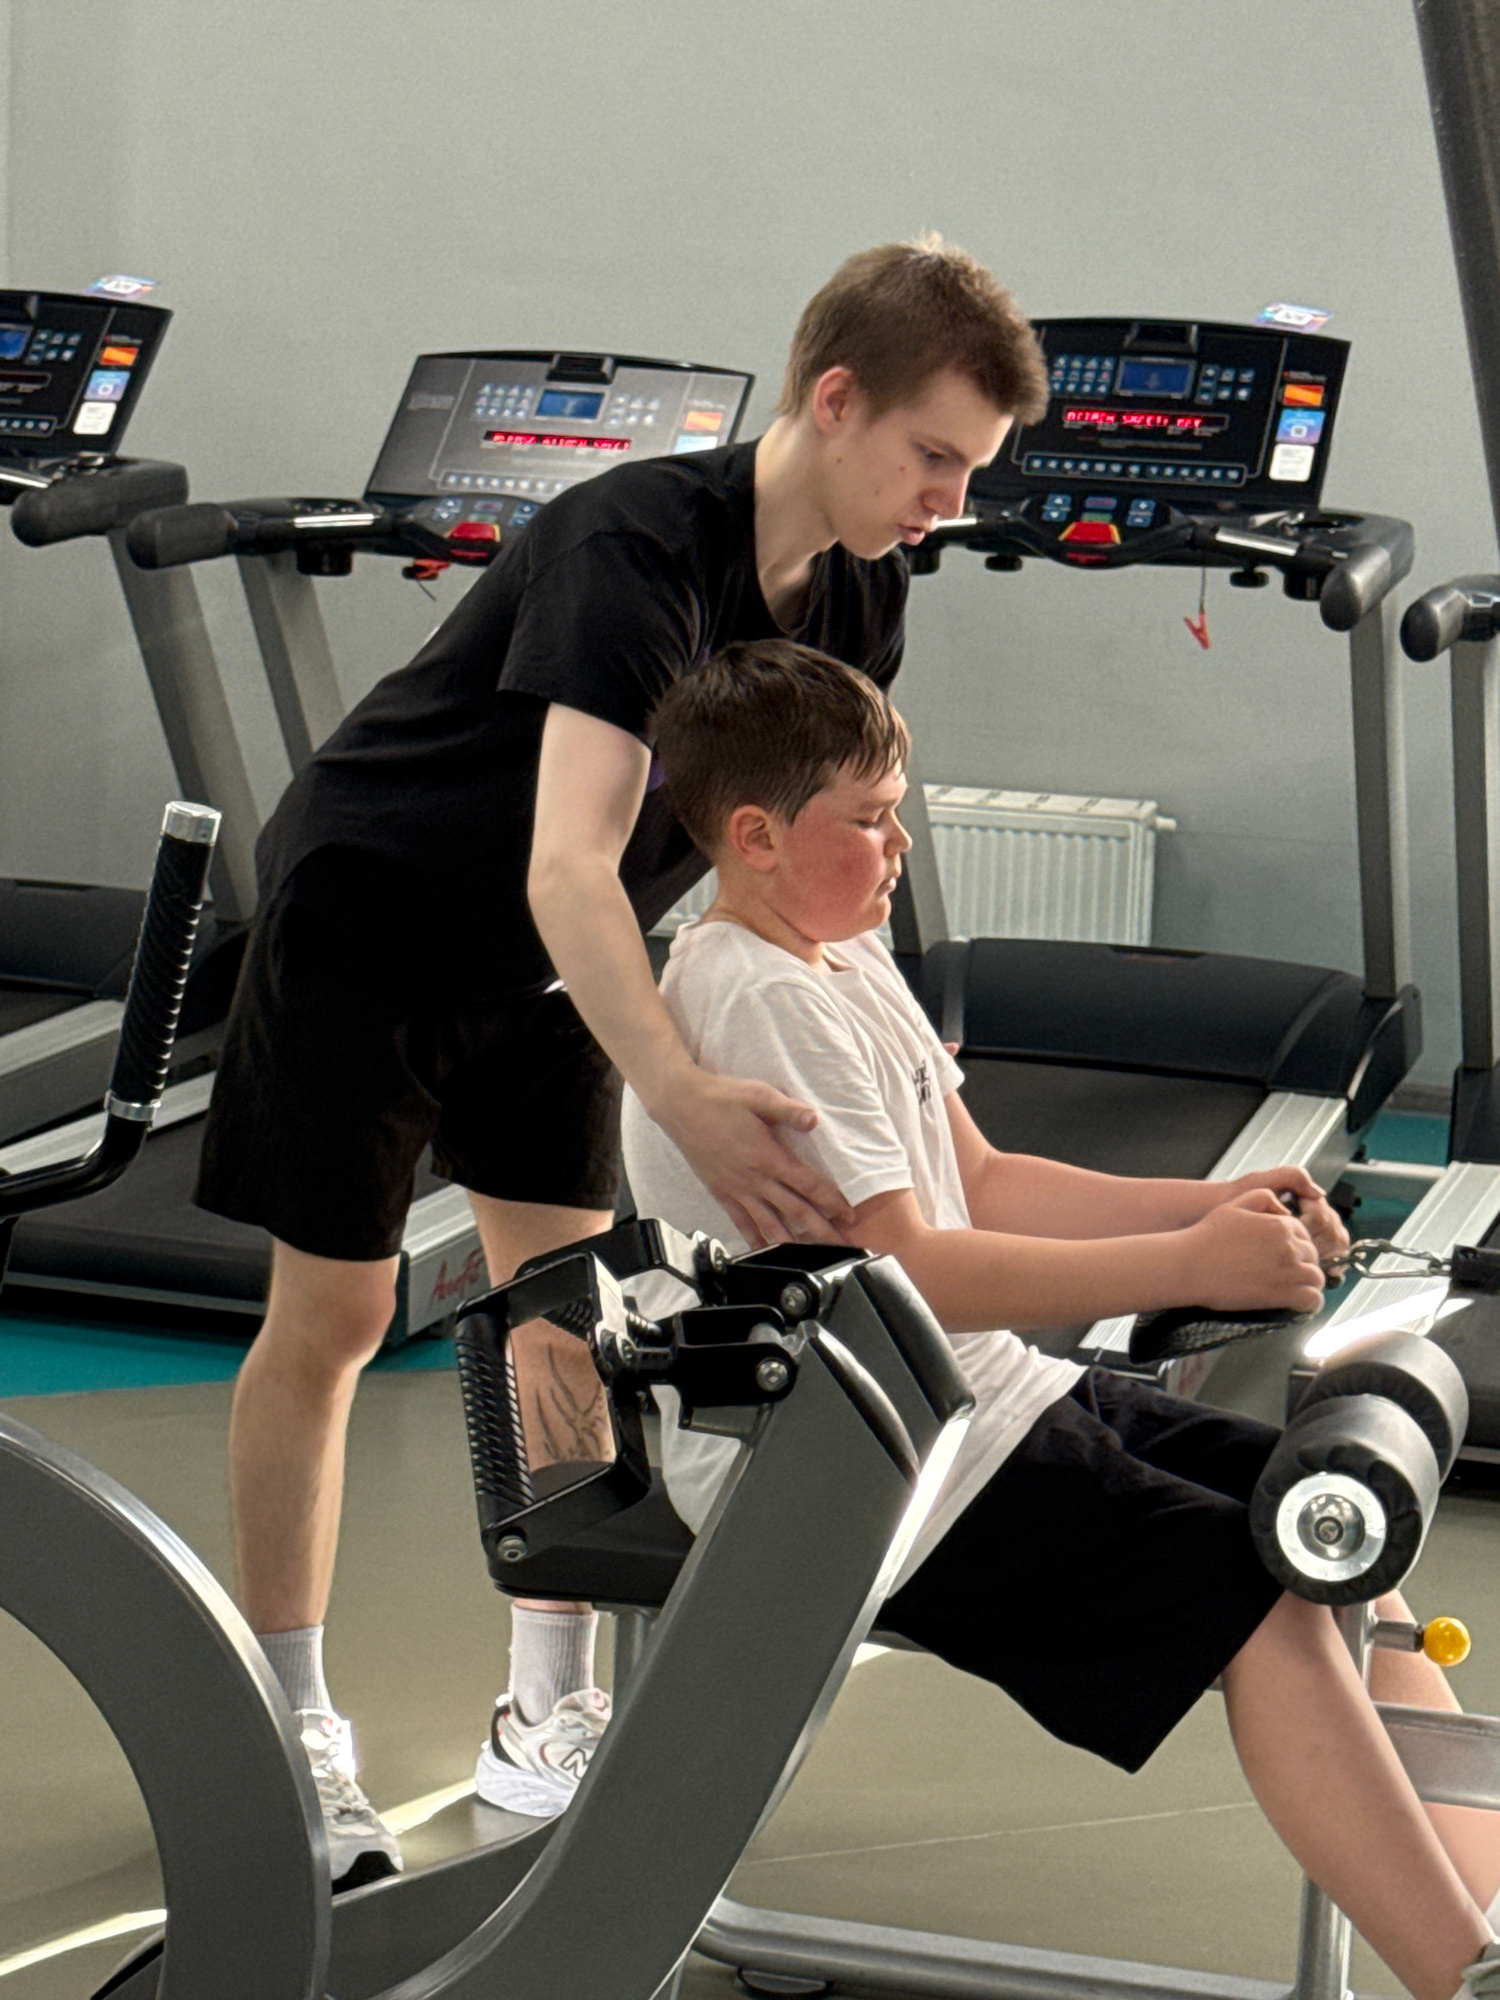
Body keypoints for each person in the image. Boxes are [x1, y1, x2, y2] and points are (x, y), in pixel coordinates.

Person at [193, 236, 1050, 1880]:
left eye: (972, 470)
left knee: (569, 1308)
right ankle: (288, 1724)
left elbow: (806, 854)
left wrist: (900, 1072)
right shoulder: (631, 546)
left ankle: (545, 1704)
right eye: (935, 457)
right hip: (375, 919)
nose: (951, 502)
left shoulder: (862, 591)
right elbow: (569, 863)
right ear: (835, 399)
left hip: (553, 968)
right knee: (339, 1316)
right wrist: (684, 1095)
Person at [618, 639, 1500, 2000]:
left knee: (1328, 1536)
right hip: (852, 1467)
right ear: (756, 837)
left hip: (970, 1401)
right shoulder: (756, 999)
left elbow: (982, 1181)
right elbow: (910, 1269)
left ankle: (1487, 1912)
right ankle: (1462, 1975)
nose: (901, 844)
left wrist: (1208, 1205)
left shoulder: (839, 955)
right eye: (870, 819)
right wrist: (1184, 1264)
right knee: (1264, 1609)